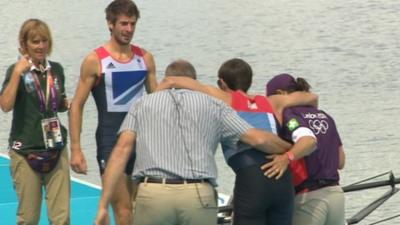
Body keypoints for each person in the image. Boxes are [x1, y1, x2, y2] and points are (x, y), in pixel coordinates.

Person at [94, 59, 293, 225]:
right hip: (198, 196)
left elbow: (121, 151)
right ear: (194, 81)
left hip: (153, 195)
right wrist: (289, 149)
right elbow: (258, 138)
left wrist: (103, 205)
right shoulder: (214, 105)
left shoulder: (142, 104)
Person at [157, 58, 318, 225]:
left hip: (252, 178)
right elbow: (312, 97)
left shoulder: (224, 98)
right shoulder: (271, 102)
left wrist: (151, 102)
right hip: (282, 177)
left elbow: (171, 80)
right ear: (250, 81)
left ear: (222, 82)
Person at [68, 0, 157, 224]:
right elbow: (77, 105)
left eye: (133, 24)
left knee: (142, 210)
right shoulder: (95, 61)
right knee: (123, 209)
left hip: (142, 142)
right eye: (124, 24)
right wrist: (76, 149)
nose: (129, 29)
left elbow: (158, 103)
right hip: (110, 143)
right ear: (110, 24)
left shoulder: (145, 59)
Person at [0, 19, 70, 225]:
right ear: (24, 44)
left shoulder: (56, 70)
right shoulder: (16, 71)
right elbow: (5, 105)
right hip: (25, 151)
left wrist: (65, 104)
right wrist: (16, 74)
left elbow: (55, 104)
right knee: (28, 219)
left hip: (56, 148)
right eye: (35, 41)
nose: (40, 46)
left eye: (44, 41)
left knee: (62, 218)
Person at [262, 73, 346, 225]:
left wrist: (286, 157)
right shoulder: (325, 116)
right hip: (336, 195)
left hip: (309, 198)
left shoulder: (290, 116)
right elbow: (340, 161)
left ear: (280, 94)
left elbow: (306, 141)